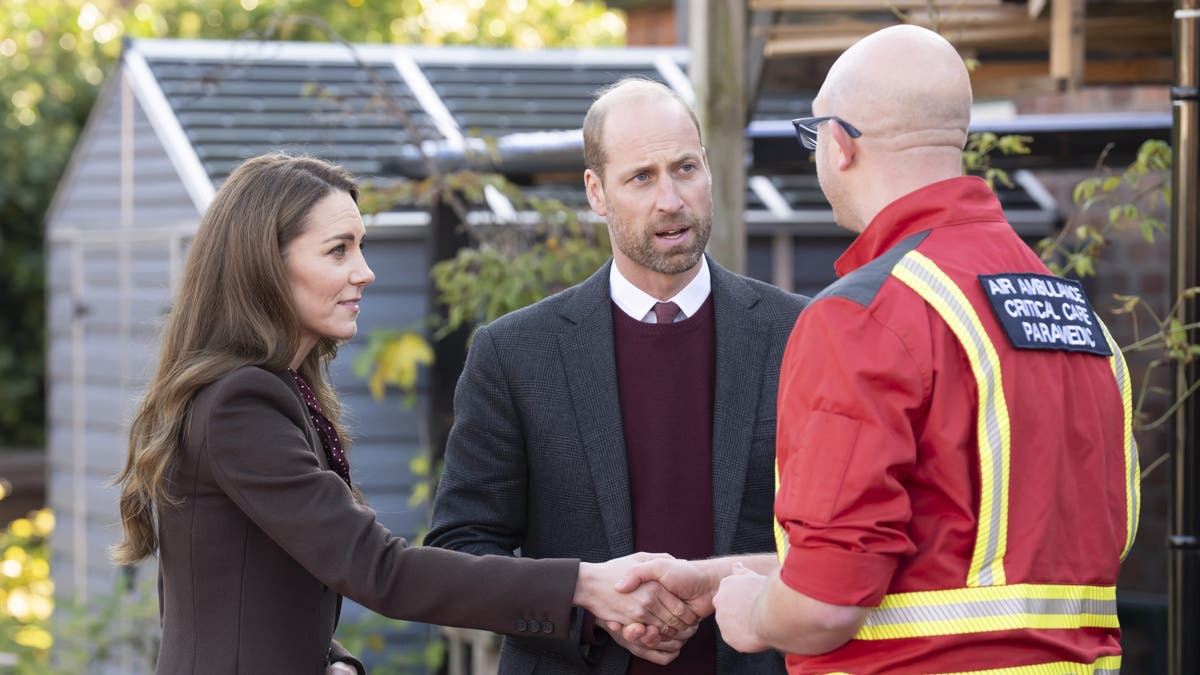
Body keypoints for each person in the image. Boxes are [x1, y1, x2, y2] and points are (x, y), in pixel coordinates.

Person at [111, 153, 703, 675]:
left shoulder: (274, 392)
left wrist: (333, 660)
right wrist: (584, 583)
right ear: (266, 264)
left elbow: (257, 596)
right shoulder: (242, 405)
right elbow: (381, 570)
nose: (365, 271)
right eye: (339, 250)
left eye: (360, 247)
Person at [693, 24, 1138, 674]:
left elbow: (825, 602)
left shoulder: (864, 315)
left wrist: (754, 611)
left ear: (839, 145)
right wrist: (726, 573)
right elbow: (962, 562)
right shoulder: (1077, 318)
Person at [425, 77, 805, 675]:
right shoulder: (514, 354)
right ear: (596, 192)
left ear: (709, 169)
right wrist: (583, 603)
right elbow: (460, 550)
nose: (671, 199)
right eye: (642, 177)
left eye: (685, 168)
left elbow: (838, 540)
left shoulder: (799, 335)